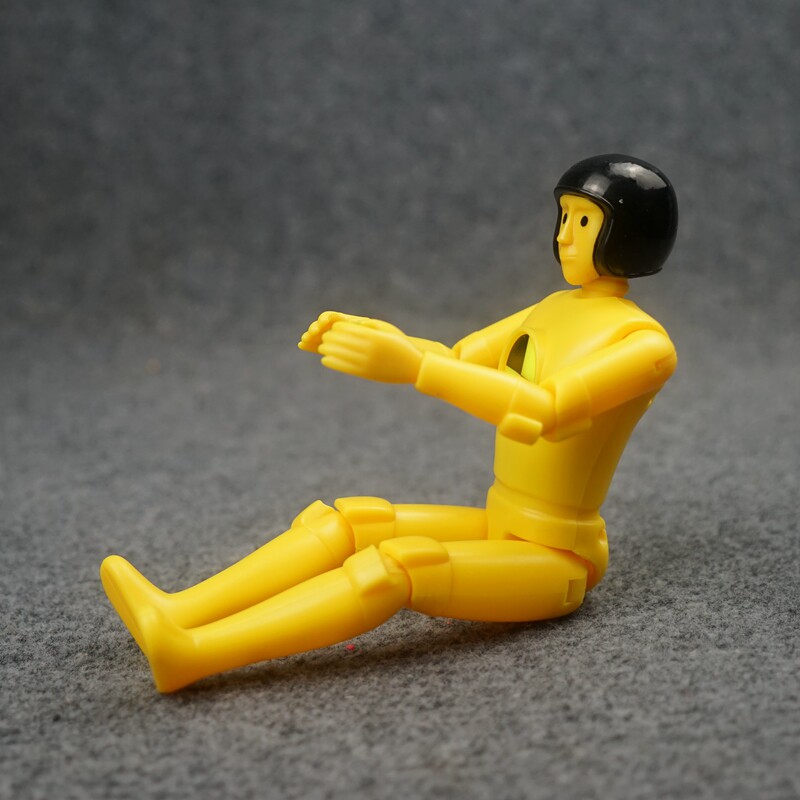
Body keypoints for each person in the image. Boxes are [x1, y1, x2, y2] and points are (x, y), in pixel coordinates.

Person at [101, 154, 678, 693]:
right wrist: (388, 340)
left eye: (584, 221)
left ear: (626, 235)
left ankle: (192, 653)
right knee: (351, 523)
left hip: (557, 559)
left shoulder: (644, 346)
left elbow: (544, 411)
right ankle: (178, 610)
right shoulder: (553, 308)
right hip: (501, 522)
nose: (565, 235)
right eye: (565, 217)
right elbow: (458, 356)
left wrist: (414, 367)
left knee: (398, 567)